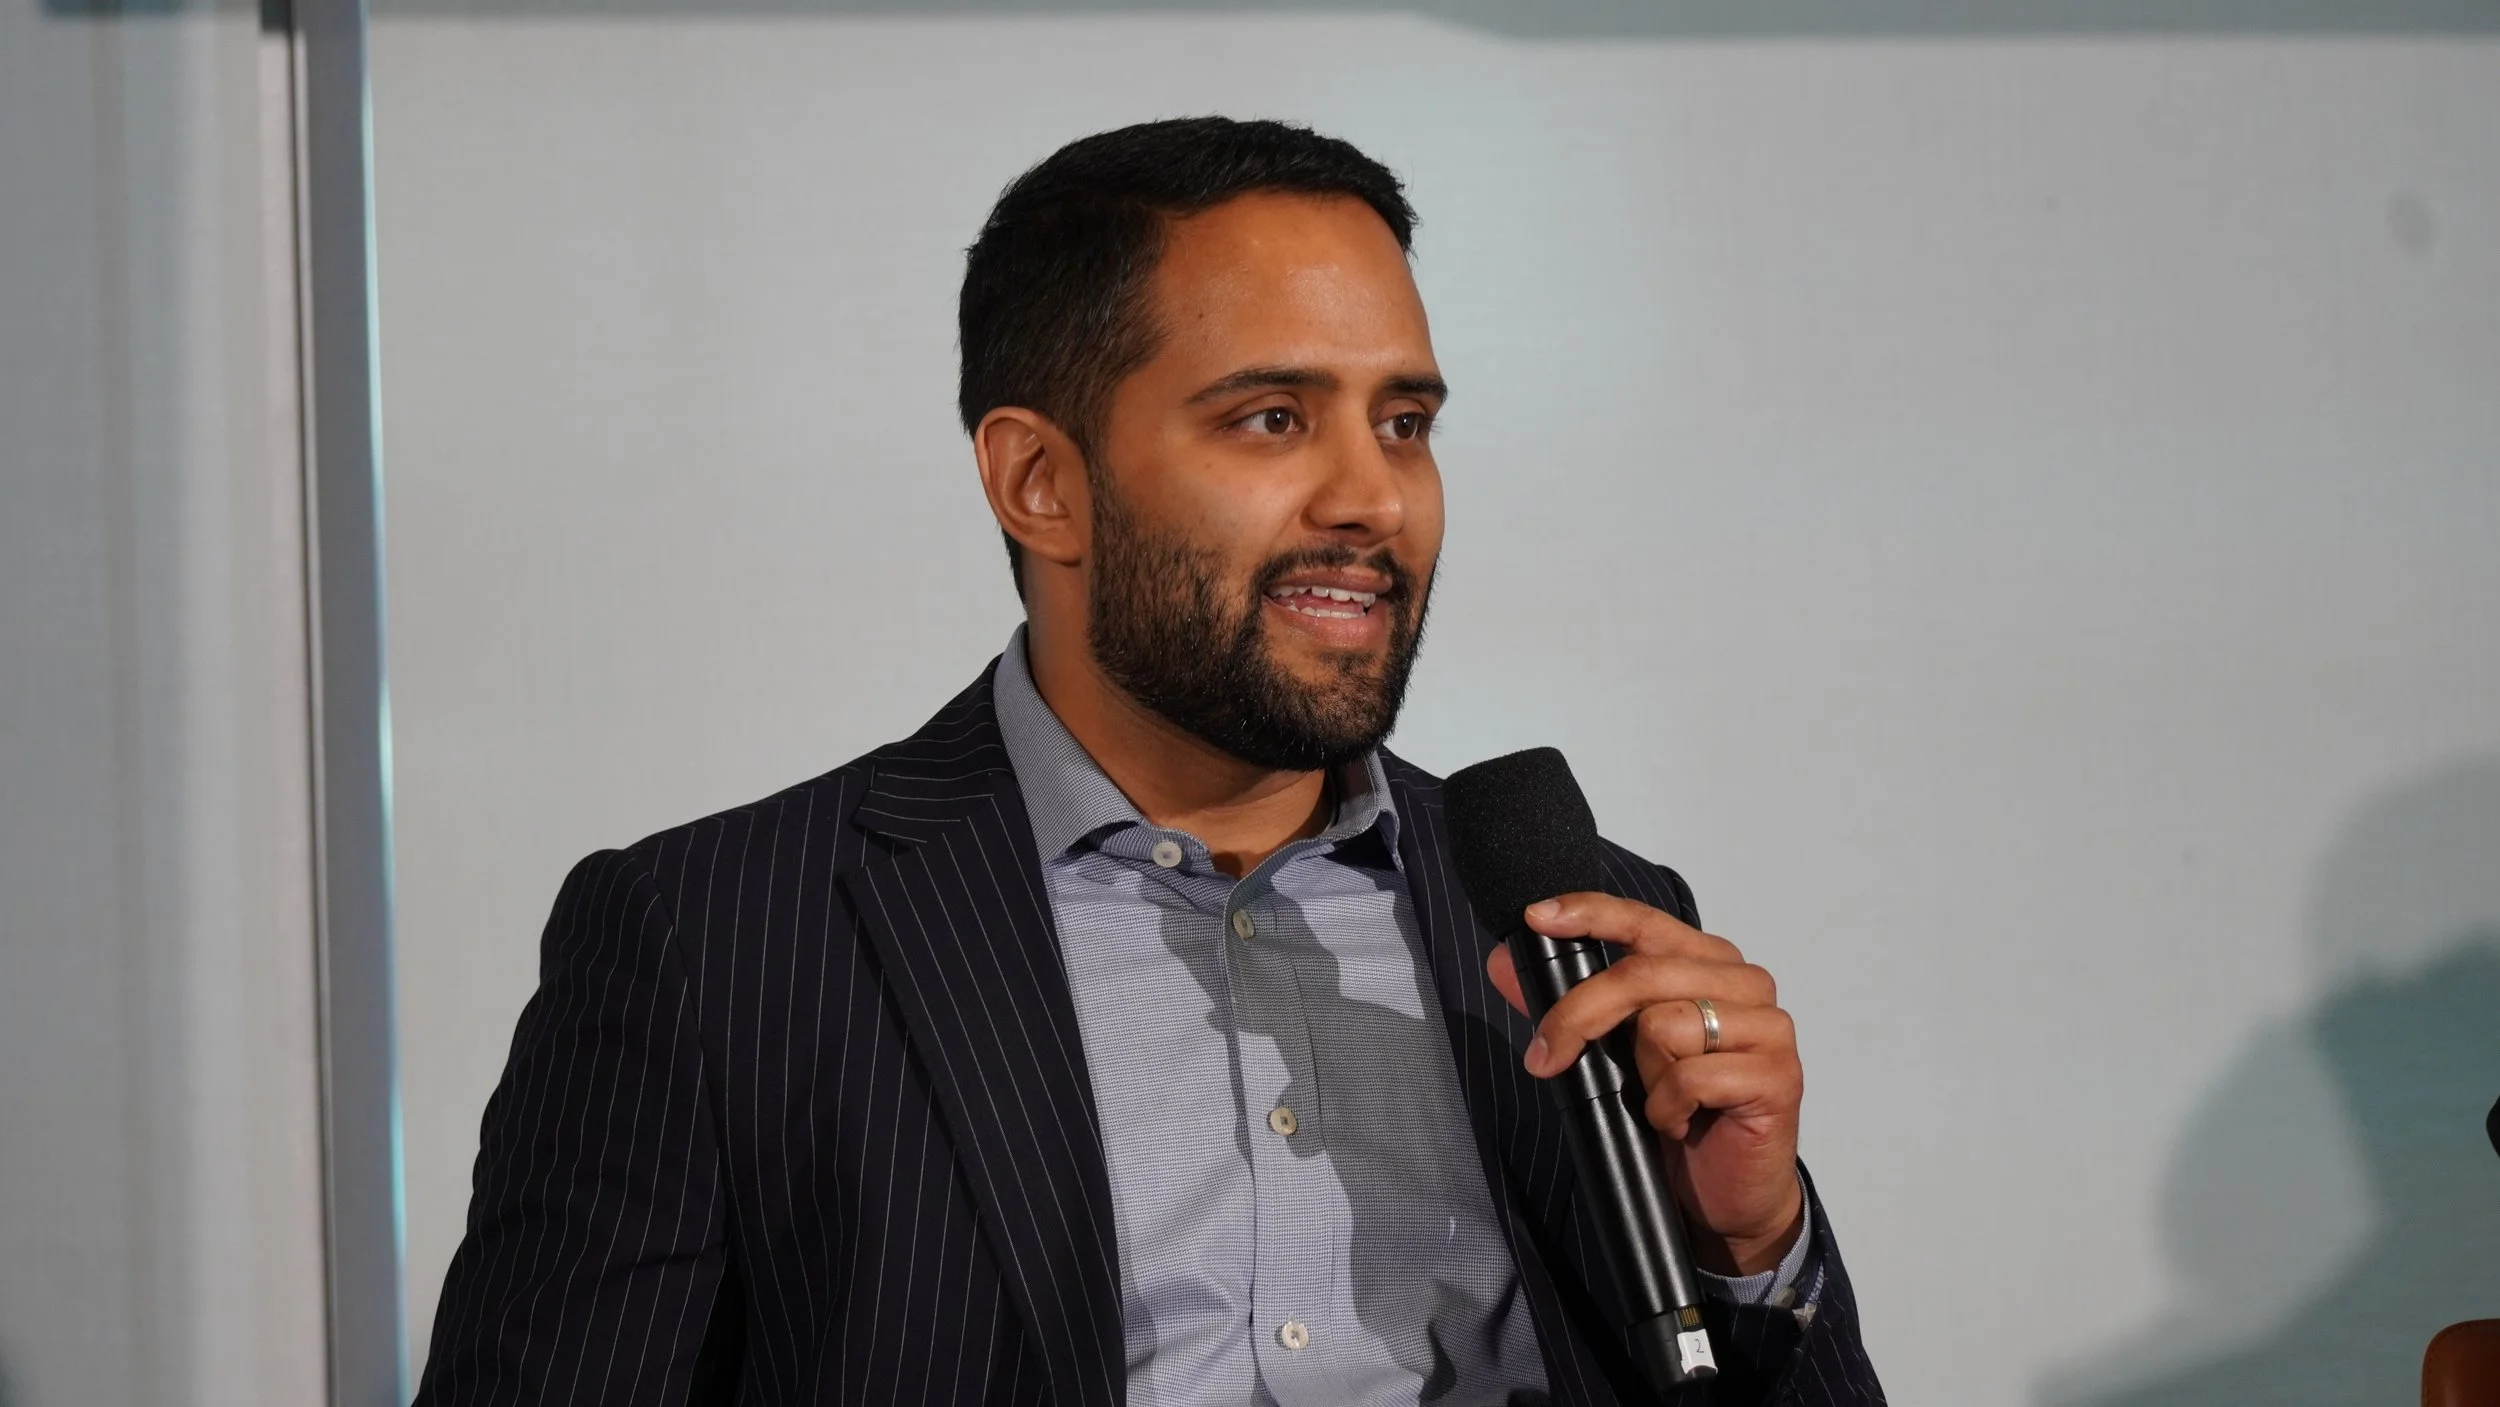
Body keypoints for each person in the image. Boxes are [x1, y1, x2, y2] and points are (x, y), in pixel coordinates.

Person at [413, 116, 1884, 1407]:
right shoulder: (716, 939)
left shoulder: (1578, 928)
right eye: (1271, 417)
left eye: (1406, 421)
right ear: (1039, 480)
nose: (1374, 495)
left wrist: (1751, 1249)